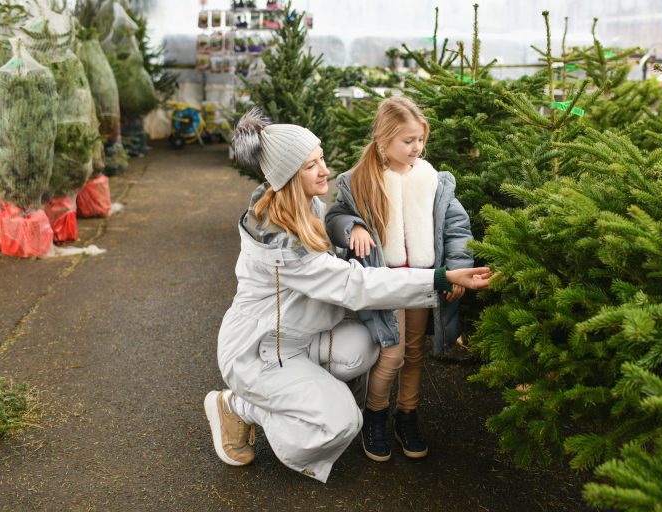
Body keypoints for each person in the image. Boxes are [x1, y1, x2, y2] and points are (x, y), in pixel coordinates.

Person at [204, 107, 491, 483]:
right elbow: (356, 284)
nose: (324, 169)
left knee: (364, 346)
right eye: (311, 165)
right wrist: (438, 278)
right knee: (343, 424)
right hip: (259, 353)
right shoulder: (283, 246)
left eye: (321, 157)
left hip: (297, 338)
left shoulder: (306, 206)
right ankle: (242, 406)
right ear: (289, 176)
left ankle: (308, 397)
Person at [325, 96, 472, 462]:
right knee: (390, 355)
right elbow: (335, 217)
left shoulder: (433, 180)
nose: (417, 148)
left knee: (414, 352)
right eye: (408, 141)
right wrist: (353, 226)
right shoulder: (359, 181)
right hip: (383, 284)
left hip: (424, 279)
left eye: (421, 139)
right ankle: (374, 415)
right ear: (383, 139)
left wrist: (456, 265)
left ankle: (407, 415)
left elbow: (457, 226)